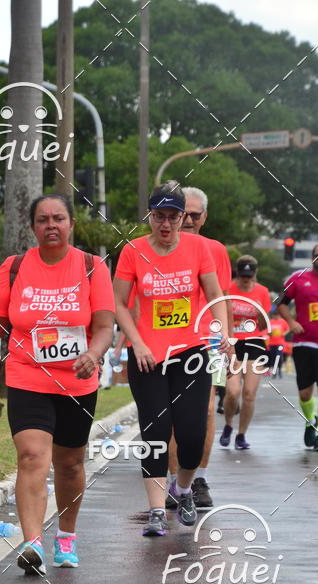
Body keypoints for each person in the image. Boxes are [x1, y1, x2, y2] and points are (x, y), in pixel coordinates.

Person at [0, 194, 115, 574]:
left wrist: (92, 354)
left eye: (59, 218)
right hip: (27, 377)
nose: (51, 225)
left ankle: (66, 537)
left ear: (71, 224)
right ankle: (32, 543)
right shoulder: (15, 268)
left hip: (77, 383)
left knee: (71, 464)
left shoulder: (92, 268)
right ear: (33, 227)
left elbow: (105, 327)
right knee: (31, 458)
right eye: (43, 219)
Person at [114, 181, 231, 537]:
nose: (166, 225)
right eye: (159, 217)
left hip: (191, 353)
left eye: (173, 217)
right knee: (156, 430)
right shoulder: (133, 251)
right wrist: (137, 343)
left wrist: (223, 332)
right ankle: (155, 511)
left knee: (193, 435)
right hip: (148, 357)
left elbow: (215, 294)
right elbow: (118, 303)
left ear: (184, 218)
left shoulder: (198, 248)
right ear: (150, 216)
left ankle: (182, 490)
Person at [165, 187, 232, 510]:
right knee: (171, 414)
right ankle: (172, 479)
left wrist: (228, 339)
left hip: (208, 342)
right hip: (166, 341)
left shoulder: (216, 250)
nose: (188, 220)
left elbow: (223, 298)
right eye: (183, 214)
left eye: (195, 215)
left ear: (204, 217)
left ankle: (198, 478)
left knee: (204, 410)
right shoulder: (160, 247)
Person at [219, 255, 272, 450]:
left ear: (255, 274)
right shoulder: (228, 290)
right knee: (233, 392)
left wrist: (262, 315)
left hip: (255, 343)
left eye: (249, 276)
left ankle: (241, 435)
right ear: (237, 273)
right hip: (232, 343)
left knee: (249, 393)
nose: (246, 280)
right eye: (243, 276)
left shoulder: (263, 292)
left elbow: (264, 324)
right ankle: (228, 425)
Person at [277, 243, 318, 449]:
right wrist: (291, 322)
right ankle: (310, 420)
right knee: (305, 392)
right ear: (312, 258)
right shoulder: (298, 278)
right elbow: (281, 302)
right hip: (304, 343)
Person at [267, 309, 289, 379]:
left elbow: (288, 329)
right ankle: (274, 372)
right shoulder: (270, 322)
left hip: (280, 343)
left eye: (277, 315)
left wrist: (284, 334)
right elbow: (267, 331)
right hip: (272, 343)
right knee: (273, 357)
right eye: (274, 315)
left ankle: (280, 370)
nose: (276, 317)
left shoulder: (283, 322)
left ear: (279, 315)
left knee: (279, 356)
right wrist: (270, 333)